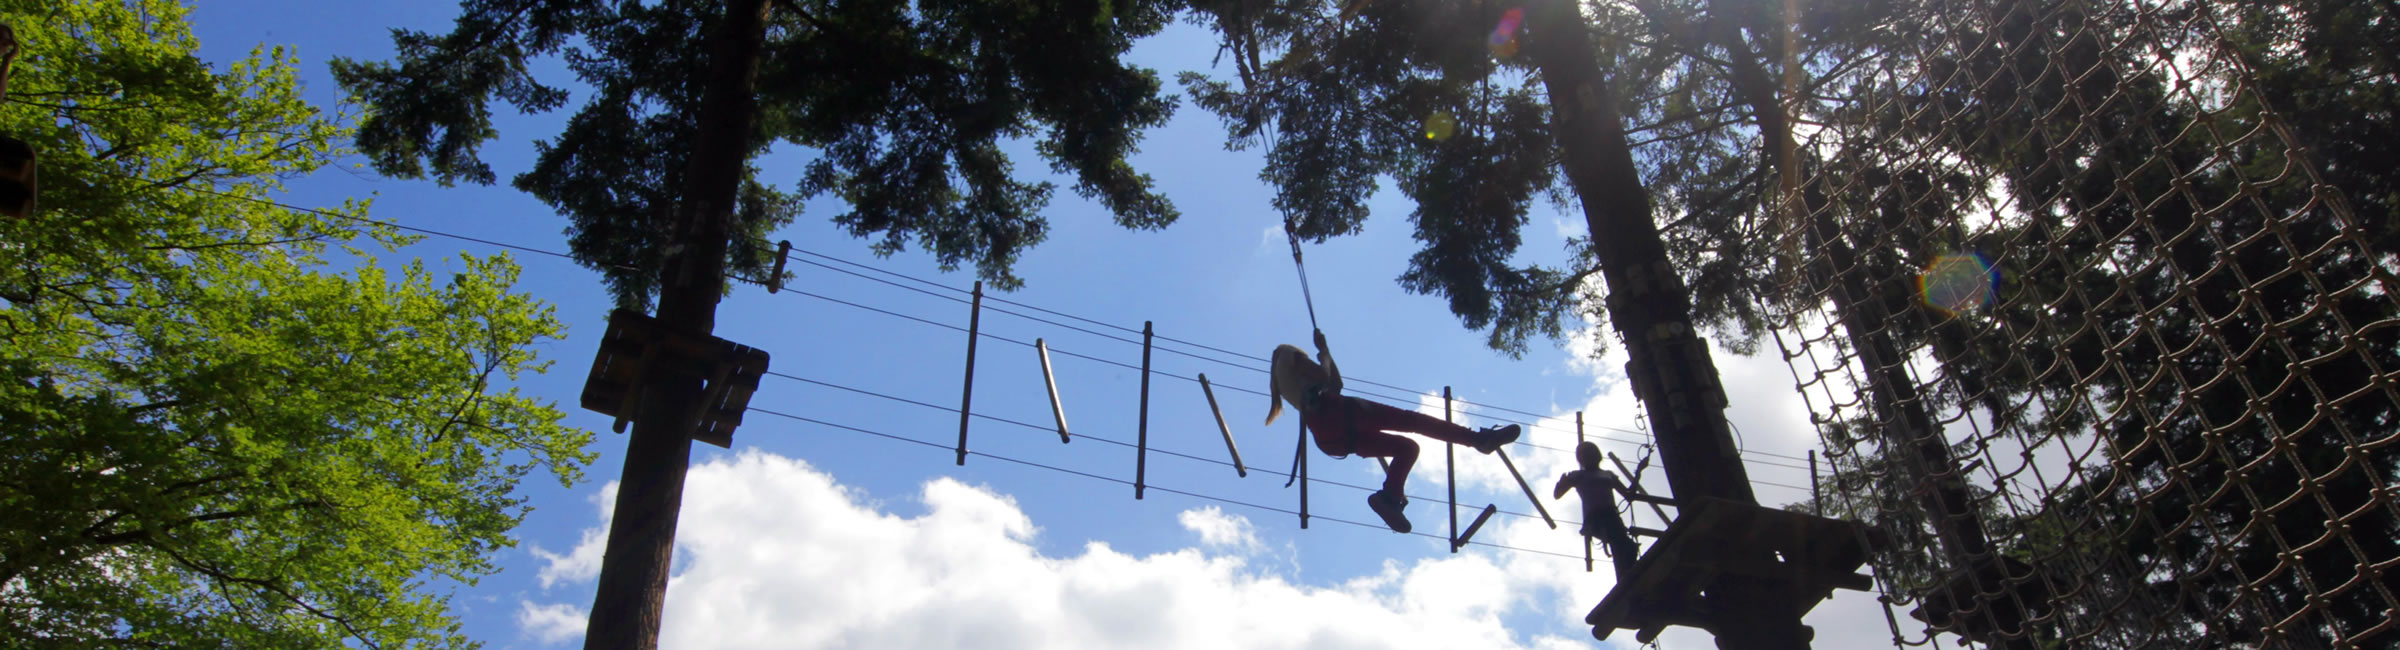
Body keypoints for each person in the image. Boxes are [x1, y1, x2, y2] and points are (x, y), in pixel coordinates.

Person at [1267, 330, 1520, 533]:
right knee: (1416, 422)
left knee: (1407, 448)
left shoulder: (1286, 383)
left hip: (1330, 439)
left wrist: (1327, 353)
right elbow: (1328, 379)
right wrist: (1324, 352)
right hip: (1341, 413)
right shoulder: (1289, 356)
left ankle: (1389, 497)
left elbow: (1335, 384)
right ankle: (1479, 440)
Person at [1554, 441, 1639, 578]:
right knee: (1621, 545)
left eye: (1590, 453)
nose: (1587, 457)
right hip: (1596, 519)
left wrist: (1639, 472)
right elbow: (1557, 495)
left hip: (1612, 517)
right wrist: (1561, 483)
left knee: (1627, 547)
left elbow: (1629, 495)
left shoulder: (1608, 475)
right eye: (1584, 455)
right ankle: (1626, 578)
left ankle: (1628, 577)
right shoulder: (1578, 475)